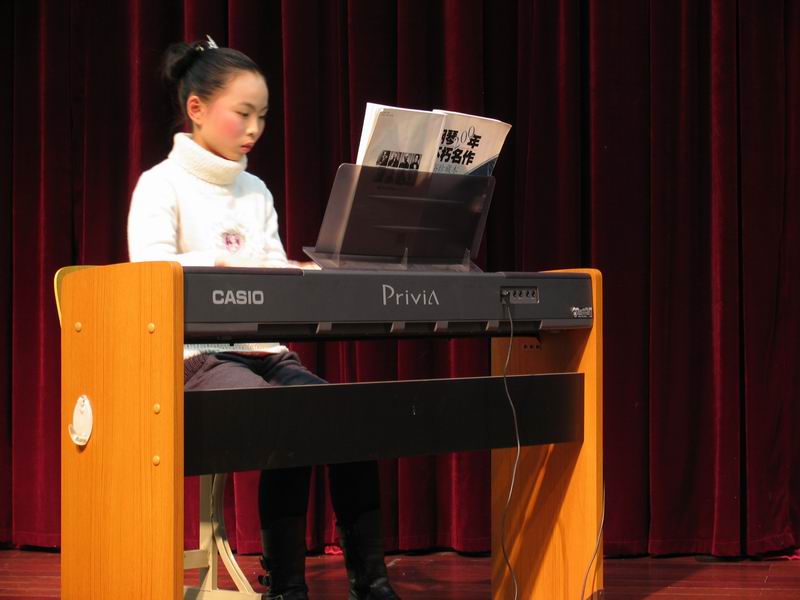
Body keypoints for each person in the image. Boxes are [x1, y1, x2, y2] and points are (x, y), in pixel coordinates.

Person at [127, 37, 401, 600]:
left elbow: (272, 278)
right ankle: (286, 587)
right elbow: (147, 277)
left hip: (263, 353)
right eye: (243, 113)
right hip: (194, 358)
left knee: (349, 415)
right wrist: (222, 263)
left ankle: (371, 583)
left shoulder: (254, 189)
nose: (254, 128)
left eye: (263, 116)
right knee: (287, 417)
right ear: (197, 108)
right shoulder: (160, 184)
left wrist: (300, 275)